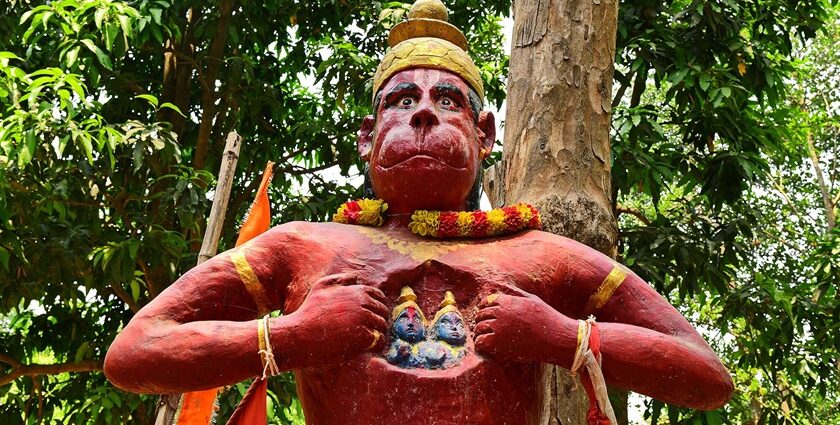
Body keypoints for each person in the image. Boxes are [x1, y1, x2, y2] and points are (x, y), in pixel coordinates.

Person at [104, 1, 733, 423]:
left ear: (485, 134)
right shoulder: (301, 246)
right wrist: (292, 336)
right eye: (402, 100)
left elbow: (706, 374)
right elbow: (134, 353)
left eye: (447, 100)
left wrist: (563, 337)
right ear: (366, 134)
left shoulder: (540, 252)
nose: (424, 113)